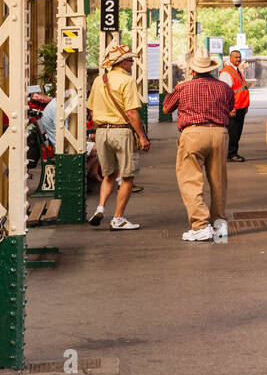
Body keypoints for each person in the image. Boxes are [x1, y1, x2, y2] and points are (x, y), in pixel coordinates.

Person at [164, 47, 236, 243]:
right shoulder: (224, 88)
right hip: (220, 134)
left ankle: (200, 226)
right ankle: (219, 223)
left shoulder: (183, 87)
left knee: (191, 181)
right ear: (211, 69)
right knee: (219, 180)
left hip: (193, 134)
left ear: (192, 70)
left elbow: (166, 107)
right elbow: (230, 107)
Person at [86, 45, 150, 229]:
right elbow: (131, 112)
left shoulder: (100, 80)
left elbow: (91, 109)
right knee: (127, 176)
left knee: (109, 174)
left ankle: (99, 208)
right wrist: (142, 137)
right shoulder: (126, 80)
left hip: (101, 132)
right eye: (130, 61)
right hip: (121, 132)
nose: (132, 63)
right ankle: (118, 219)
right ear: (123, 63)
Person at [219, 49, 251, 163]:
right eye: (235, 57)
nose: (238, 59)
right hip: (234, 108)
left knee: (237, 132)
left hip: (240, 106)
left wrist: (245, 106)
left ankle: (233, 153)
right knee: (233, 132)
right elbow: (225, 92)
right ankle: (231, 154)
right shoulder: (226, 72)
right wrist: (229, 108)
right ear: (230, 58)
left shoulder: (236, 70)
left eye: (239, 57)